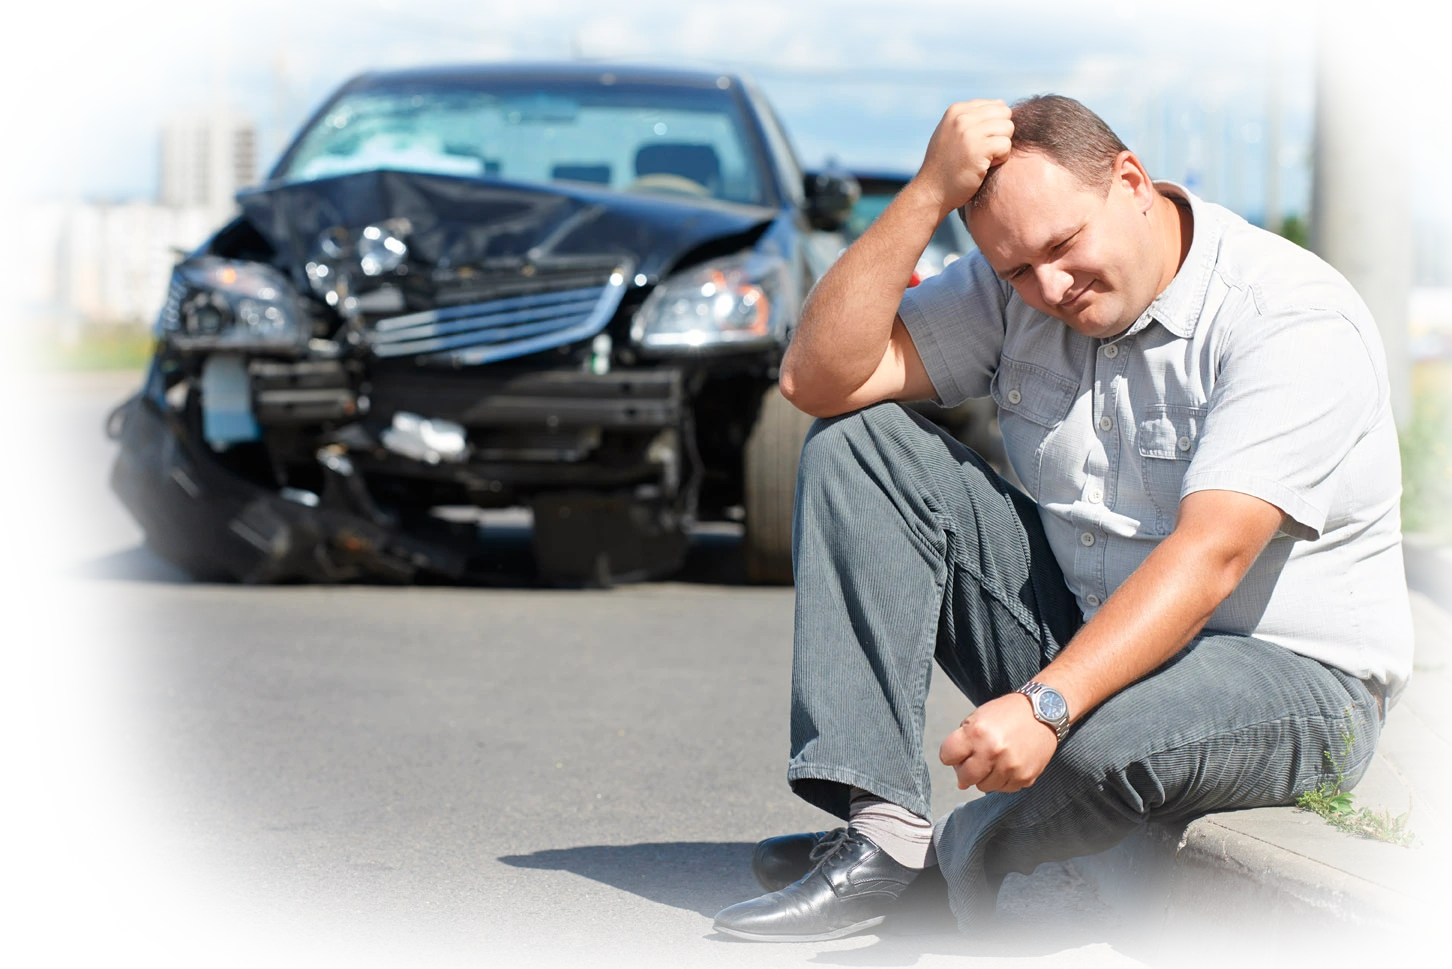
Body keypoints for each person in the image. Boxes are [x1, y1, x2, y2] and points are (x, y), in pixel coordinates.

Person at [711, 94, 1412, 943]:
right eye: (1016, 271)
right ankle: (883, 832)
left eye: (1061, 246)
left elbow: (1212, 557)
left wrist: (1045, 705)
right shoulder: (1022, 288)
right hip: (1092, 630)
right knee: (859, 443)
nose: (1049, 288)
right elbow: (816, 380)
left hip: (1294, 679)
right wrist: (926, 193)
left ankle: (937, 862)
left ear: (1131, 181)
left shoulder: (1287, 315)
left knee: (1096, 742)